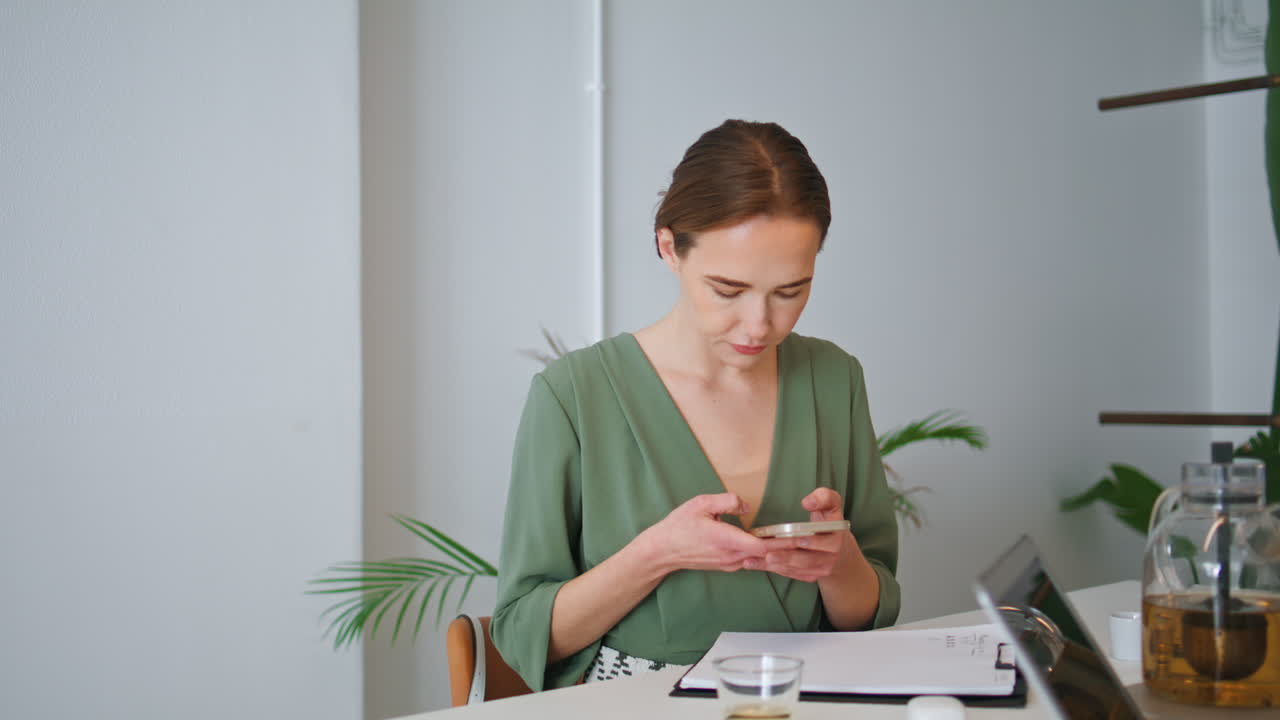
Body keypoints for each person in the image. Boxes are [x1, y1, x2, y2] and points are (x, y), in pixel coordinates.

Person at [491, 119, 901, 691]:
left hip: (807, 697)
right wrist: (657, 553)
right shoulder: (574, 395)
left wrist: (839, 564)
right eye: (727, 291)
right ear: (668, 248)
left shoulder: (834, 379)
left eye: (791, 291)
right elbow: (523, 631)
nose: (760, 325)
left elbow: (870, 611)